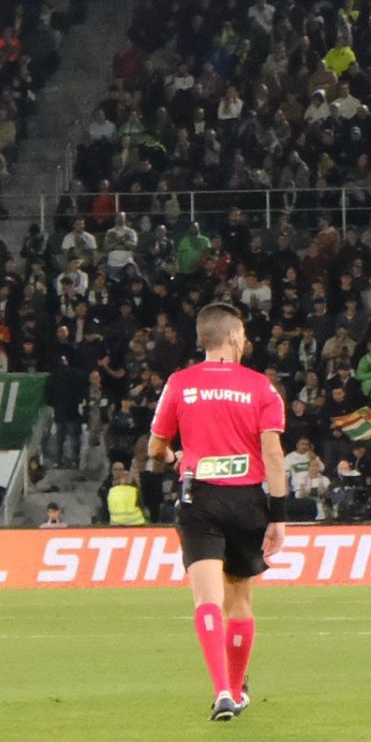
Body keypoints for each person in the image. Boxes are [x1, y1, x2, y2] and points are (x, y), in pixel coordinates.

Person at [148, 303, 289, 719]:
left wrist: (175, 457)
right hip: (247, 500)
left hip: (200, 498)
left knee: (206, 601)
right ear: (231, 336)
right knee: (239, 601)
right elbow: (275, 455)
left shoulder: (179, 384)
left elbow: (155, 447)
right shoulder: (261, 387)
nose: (245, 342)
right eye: (243, 334)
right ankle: (238, 689)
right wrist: (278, 516)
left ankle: (222, 692)